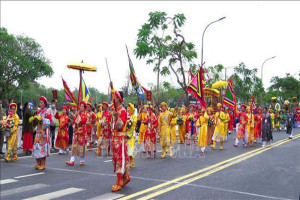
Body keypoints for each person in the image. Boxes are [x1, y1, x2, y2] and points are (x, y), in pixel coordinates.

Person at [110, 87, 131, 192]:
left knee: (120, 159)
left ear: (119, 98)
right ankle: (125, 177)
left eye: (115, 96)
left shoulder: (122, 111)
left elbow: (119, 125)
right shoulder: (116, 110)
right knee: (116, 159)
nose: (113, 98)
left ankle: (118, 183)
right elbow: (112, 126)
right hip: (115, 138)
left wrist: (116, 116)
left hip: (120, 138)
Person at [31, 96, 52, 170]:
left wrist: (42, 120)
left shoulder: (47, 111)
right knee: (36, 147)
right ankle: (38, 162)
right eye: (40, 102)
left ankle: (43, 163)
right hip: (38, 132)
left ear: (45, 103)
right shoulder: (38, 111)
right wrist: (35, 120)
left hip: (44, 133)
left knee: (42, 148)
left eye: (42, 102)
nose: (40, 104)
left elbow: (49, 121)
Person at [66, 101, 88, 166]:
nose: (80, 107)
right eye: (80, 106)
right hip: (77, 132)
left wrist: (77, 117)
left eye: (82, 106)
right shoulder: (78, 114)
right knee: (74, 146)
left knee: (82, 146)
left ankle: (82, 160)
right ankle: (72, 160)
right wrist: (76, 116)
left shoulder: (85, 114)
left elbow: (82, 121)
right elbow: (75, 122)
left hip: (83, 132)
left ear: (84, 108)